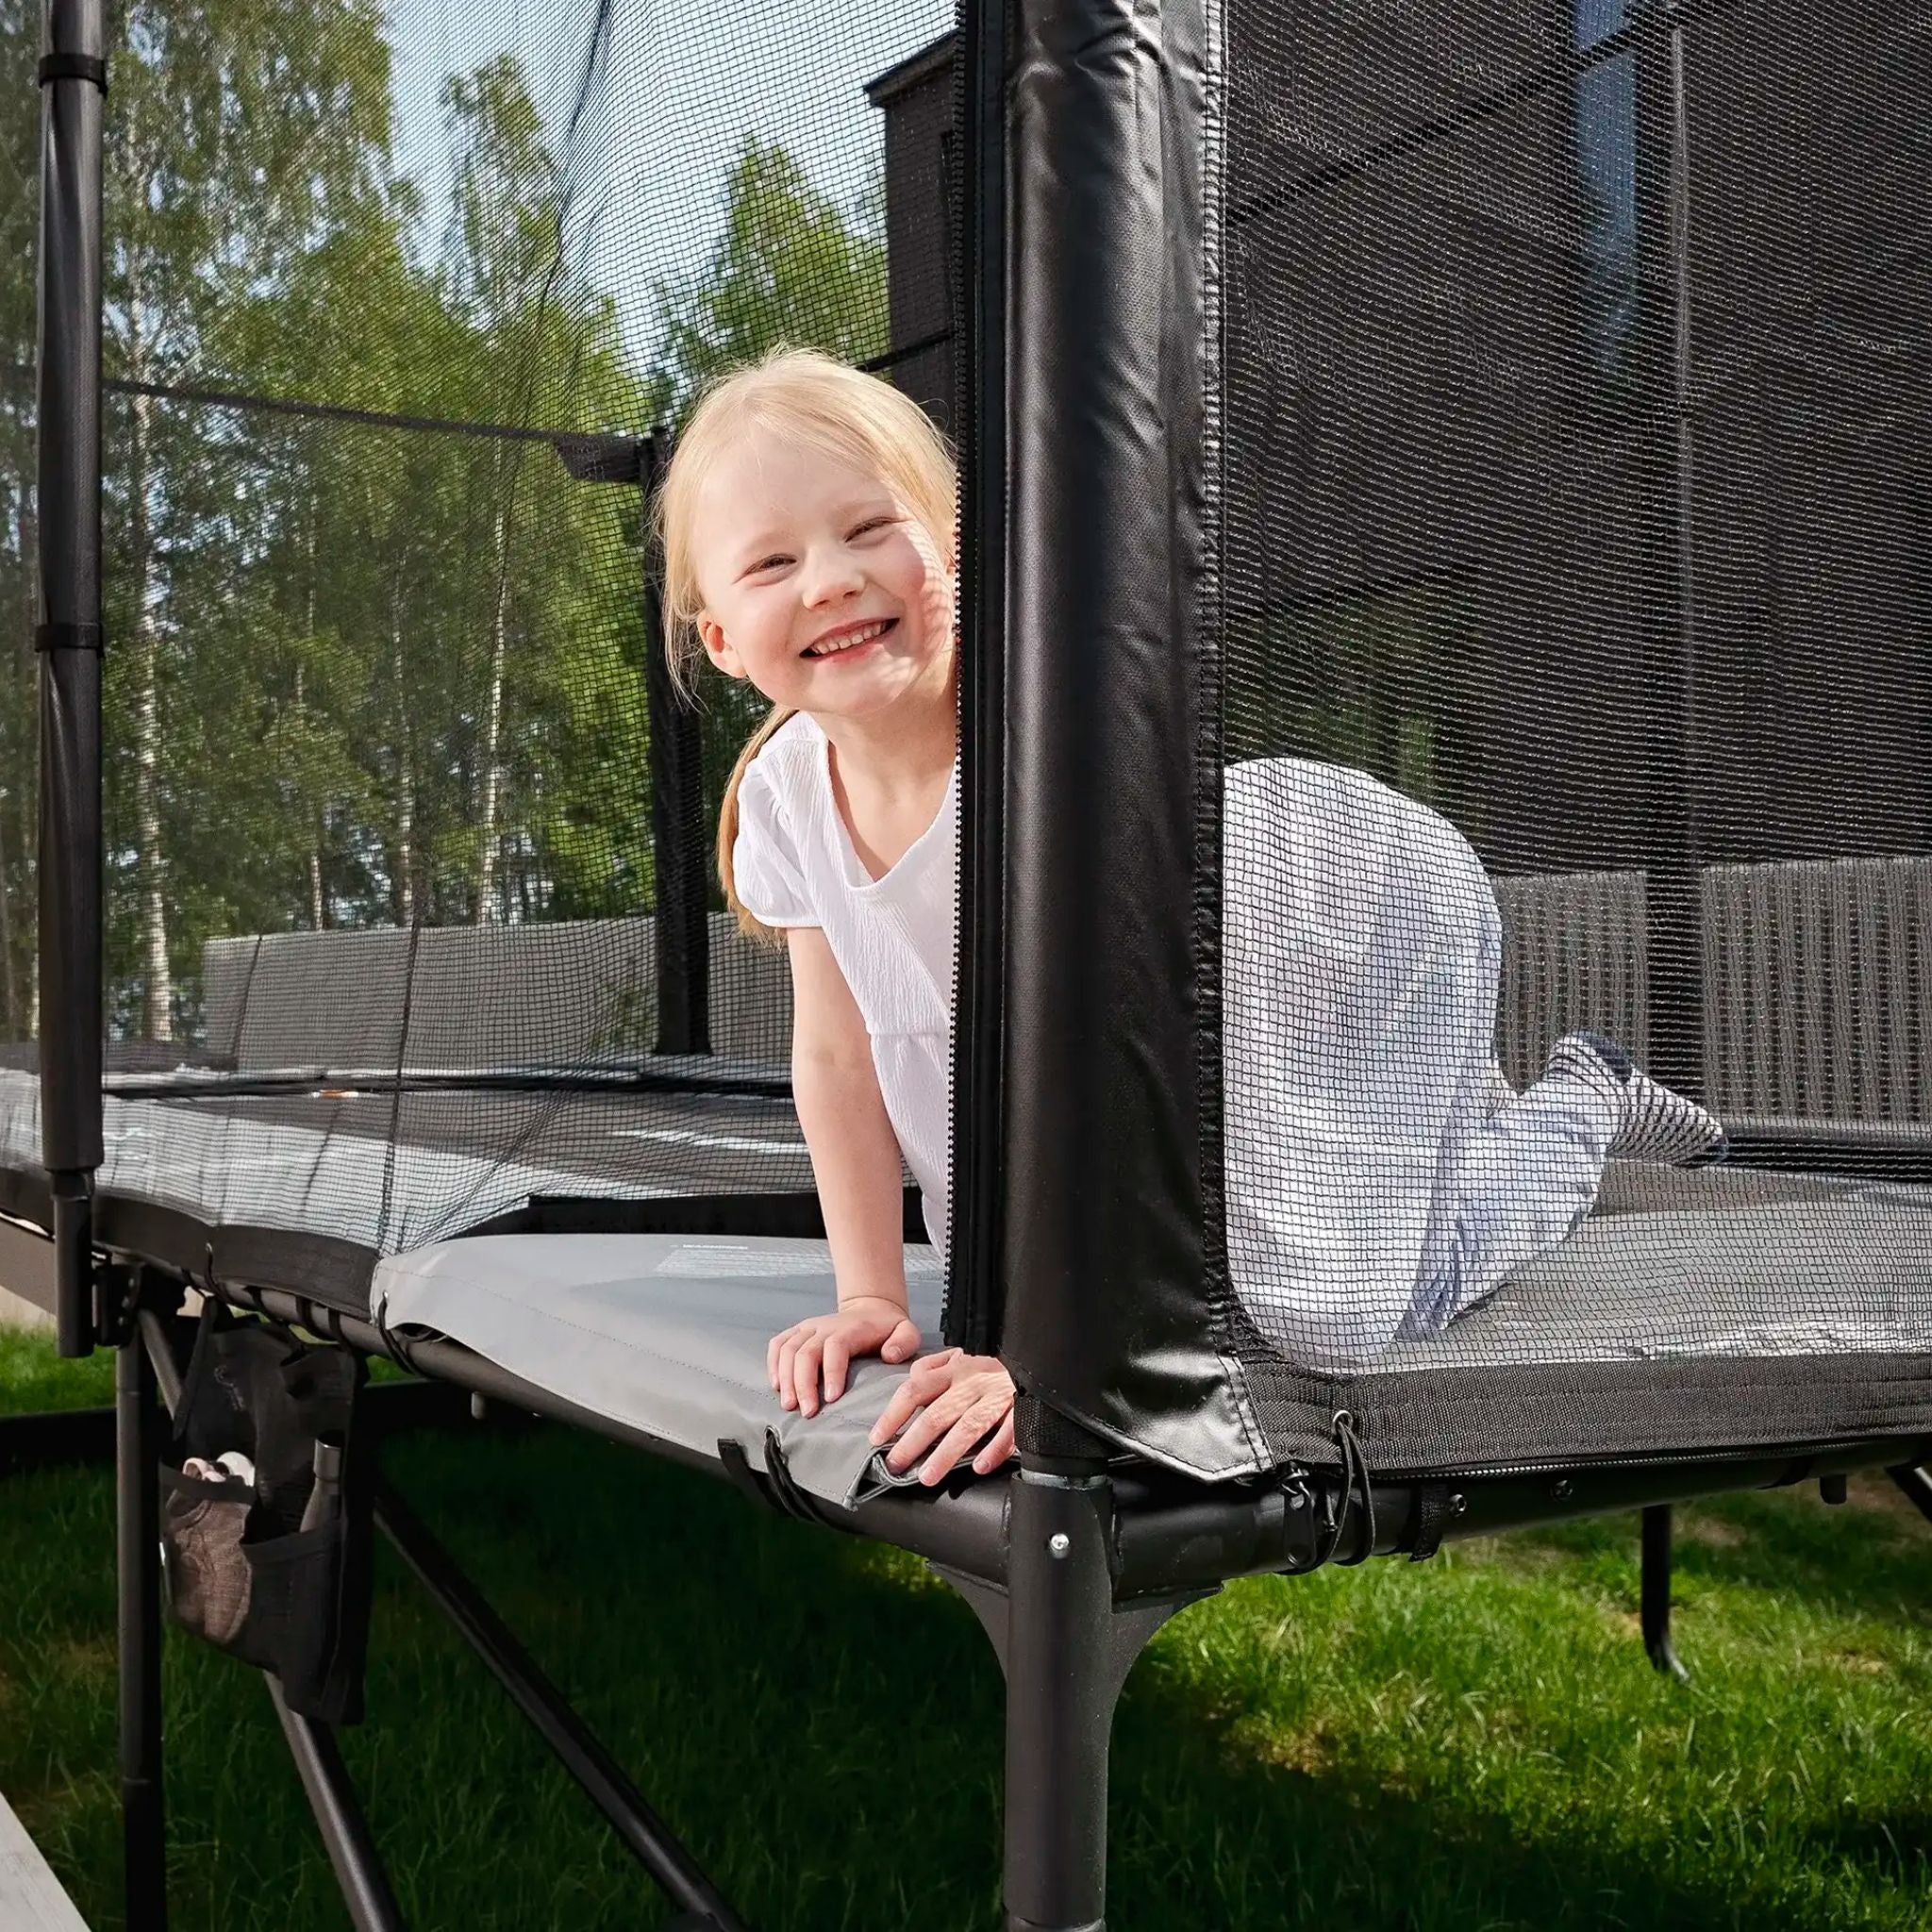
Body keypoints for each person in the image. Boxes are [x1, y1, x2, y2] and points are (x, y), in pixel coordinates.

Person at [650, 346, 1725, 1486]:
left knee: (1341, 1312)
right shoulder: (781, 798)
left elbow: (1126, 1071)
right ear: (719, 638)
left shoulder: (1044, 756)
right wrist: (868, 1294)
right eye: (771, 562)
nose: (830, 578)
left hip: (1364, 924)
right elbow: (835, 1048)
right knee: (1264, 1236)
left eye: (871, 529)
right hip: (1225, 1004)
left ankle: (1575, 1102)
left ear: (956, 554)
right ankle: (1440, 1123)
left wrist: (1064, 1356)